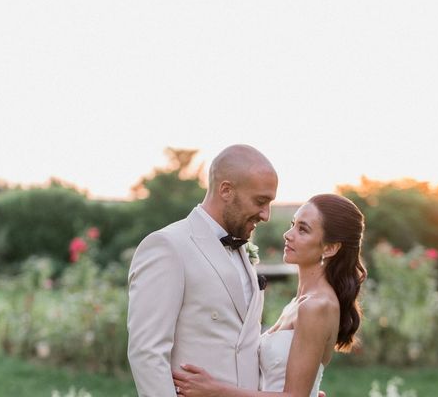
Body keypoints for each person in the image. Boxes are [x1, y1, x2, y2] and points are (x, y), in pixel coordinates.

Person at [172, 193, 367, 397]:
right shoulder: (299, 302)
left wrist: (215, 390)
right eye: (293, 224)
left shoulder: (317, 305)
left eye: (303, 230)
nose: (288, 234)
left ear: (330, 248)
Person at [127, 144, 278, 396]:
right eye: (260, 201)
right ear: (226, 190)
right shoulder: (167, 246)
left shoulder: (243, 250)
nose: (266, 214)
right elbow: (147, 352)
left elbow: (243, 346)